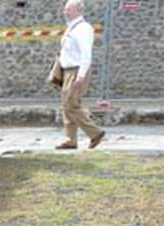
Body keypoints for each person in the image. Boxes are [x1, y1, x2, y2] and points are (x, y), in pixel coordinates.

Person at [55, 0, 106, 150]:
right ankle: (70, 139)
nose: (65, 12)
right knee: (67, 105)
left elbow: (86, 54)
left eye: (69, 9)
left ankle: (95, 132)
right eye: (65, 9)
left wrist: (81, 76)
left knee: (71, 105)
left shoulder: (83, 28)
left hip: (77, 70)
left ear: (79, 10)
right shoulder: (71, 27)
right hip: (68, 70)